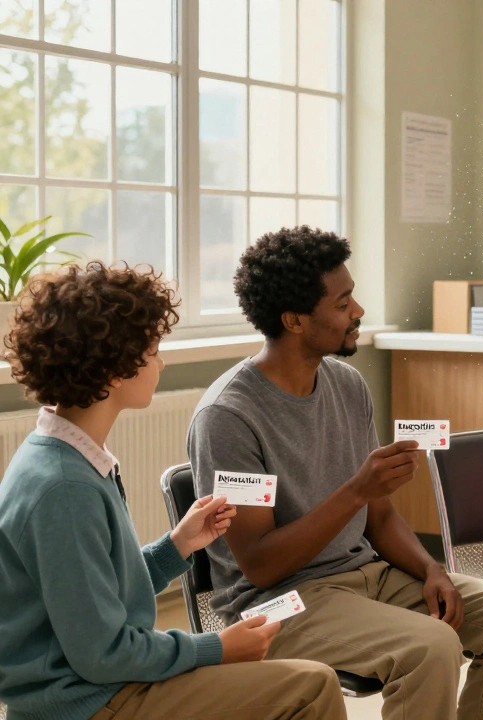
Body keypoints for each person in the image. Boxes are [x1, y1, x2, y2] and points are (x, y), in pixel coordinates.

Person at [187, 227, 483, 720]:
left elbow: (380, 518)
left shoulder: (346, 384)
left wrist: (430, 569)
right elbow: (261, 566)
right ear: (293, 320)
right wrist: (356, 490)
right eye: (343, 303)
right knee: (431, 647)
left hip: (367, 575)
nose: (357, 312)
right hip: (275, 604)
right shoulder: (228, 417)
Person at [0, 262, 344, 720]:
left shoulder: (67, 457)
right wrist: (216, 647)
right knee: (312, 685)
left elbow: (96, 597)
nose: (160, 361)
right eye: (154, 349)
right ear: (116, 369)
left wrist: (176, 547)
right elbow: (104, 653)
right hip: (87, 703)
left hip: (95, 686)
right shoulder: (64, 488)